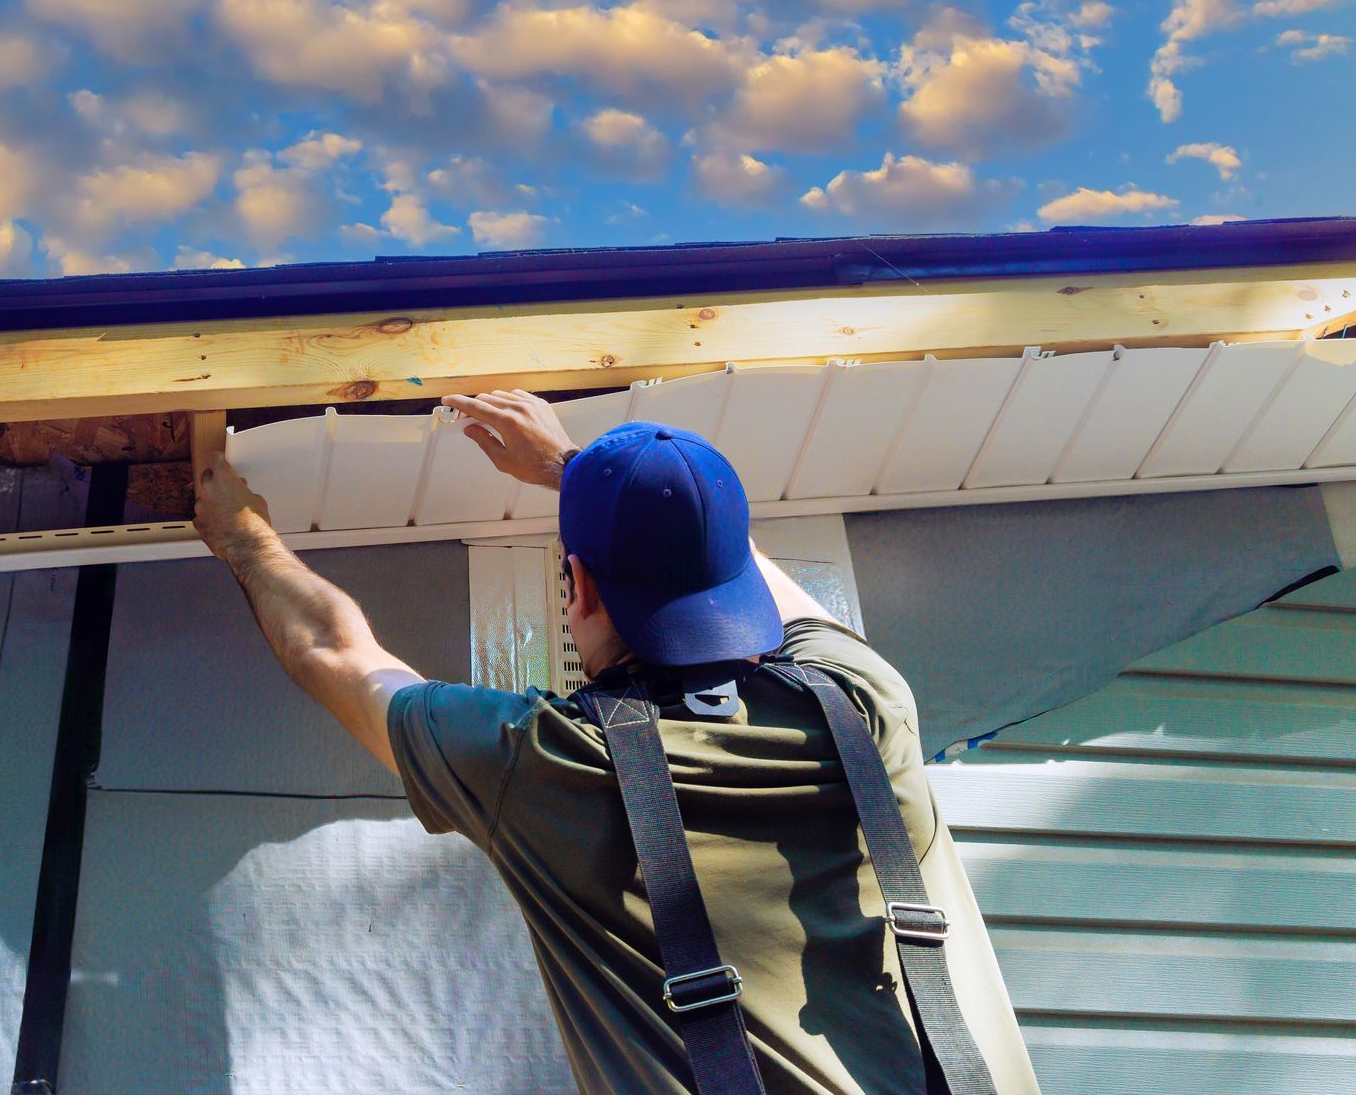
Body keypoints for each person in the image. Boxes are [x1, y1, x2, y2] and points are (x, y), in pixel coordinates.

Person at [192, 388, 1041, 1095]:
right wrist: (579, 472)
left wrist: (240, 532)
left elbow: (334, 652)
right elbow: (732, 555)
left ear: (579, 586)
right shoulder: (864, 700)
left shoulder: (551, 767)